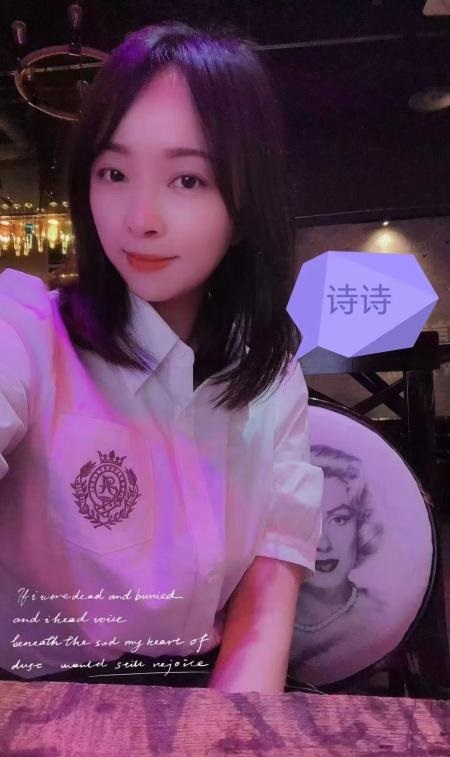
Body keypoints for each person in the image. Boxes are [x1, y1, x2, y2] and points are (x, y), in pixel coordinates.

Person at [0, 21, 324, 693]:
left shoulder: (273, 380)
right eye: (114, 172)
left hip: (208, 693)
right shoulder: (26, 329)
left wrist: (227, 733)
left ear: (246, 204)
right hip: (38, 697)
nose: (140, 218)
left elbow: (267, 596)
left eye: (187, 180)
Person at [288, 446, 384, 687]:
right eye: (305, 519)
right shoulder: (244, 618)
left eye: (339, 519)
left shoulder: (379, 617)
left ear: (360, 526)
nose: (324, 544)